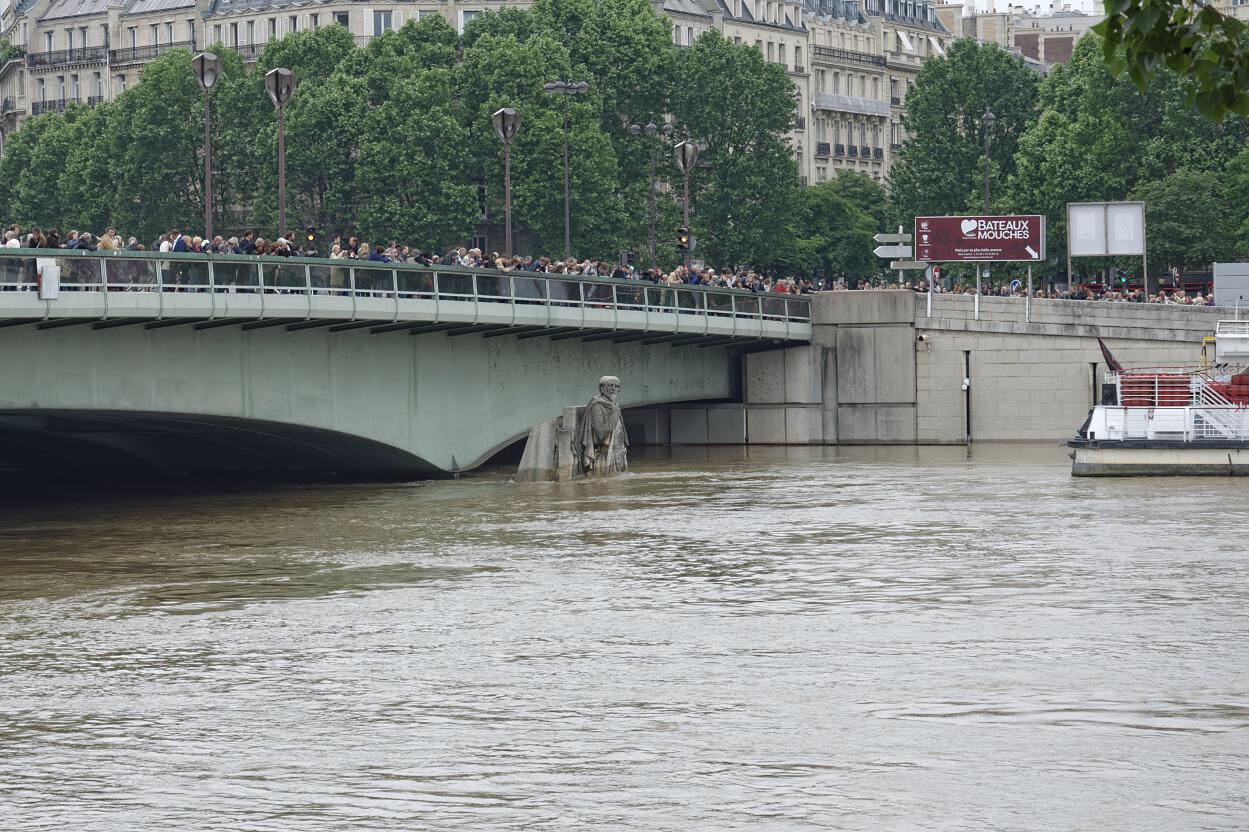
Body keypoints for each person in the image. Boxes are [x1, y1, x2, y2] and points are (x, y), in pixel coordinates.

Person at [576, 375, 628, 476]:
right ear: (602, 388)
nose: (614, 389)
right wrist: (614, 415)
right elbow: (600, 433)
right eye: (610, 385)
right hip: (606, 456)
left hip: (619, 454)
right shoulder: (597, 406)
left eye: (616, 386)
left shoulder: (614, 405)